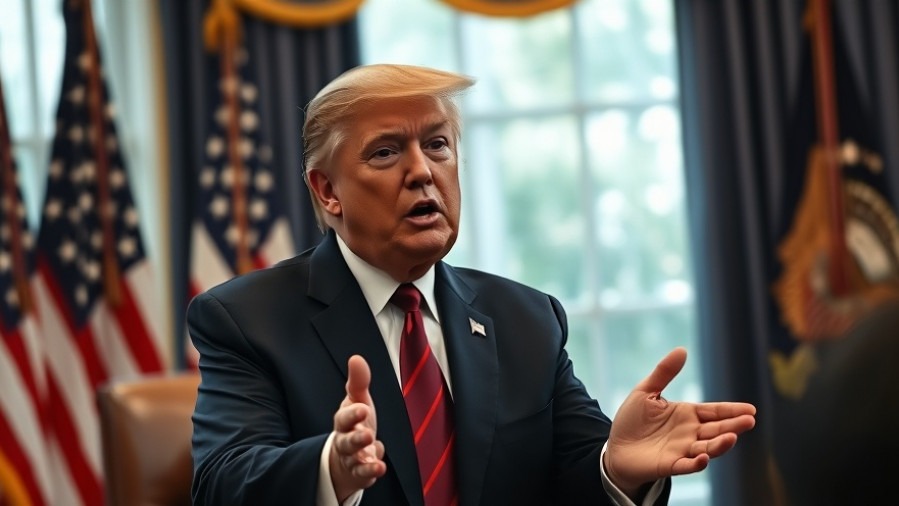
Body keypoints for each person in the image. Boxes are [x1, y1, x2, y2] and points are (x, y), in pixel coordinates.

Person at [187, 64, 756, 506]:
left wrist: (616, 467)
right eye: (386, 152)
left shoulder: (527, 319)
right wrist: (331, 470)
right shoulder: (246, 320)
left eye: (437, 145)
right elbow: (222, 482)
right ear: (327, 190)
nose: (422, 171)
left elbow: (572, 482)